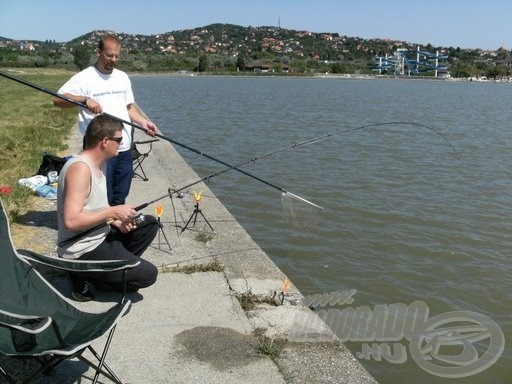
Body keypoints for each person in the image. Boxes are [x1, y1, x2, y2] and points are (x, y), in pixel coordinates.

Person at [57, 114, 158, 301]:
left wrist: (116, 220)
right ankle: (84, 275)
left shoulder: (100, 164)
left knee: (149, 224)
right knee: (148, 275)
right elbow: (71, 221)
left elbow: (93, 207)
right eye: (118, 140)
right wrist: (112, 211)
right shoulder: (80, 169)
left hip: (100, 234)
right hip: (81, 247)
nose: (122, 143)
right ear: (105, 141)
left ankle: (109, 270)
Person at [54, 34, 157, 205]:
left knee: (120, 194)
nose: (113, 59)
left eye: (117, 56)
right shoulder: (85, 77)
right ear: (99, 52)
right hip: (100, 149)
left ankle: (115, 226)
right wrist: (84, 100)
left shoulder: (122, 77)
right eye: (109, 55)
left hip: (123, 147)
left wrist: (143, 122)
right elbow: (58, 100)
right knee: (101, 196)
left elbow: (128, 107)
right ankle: (100, 227)